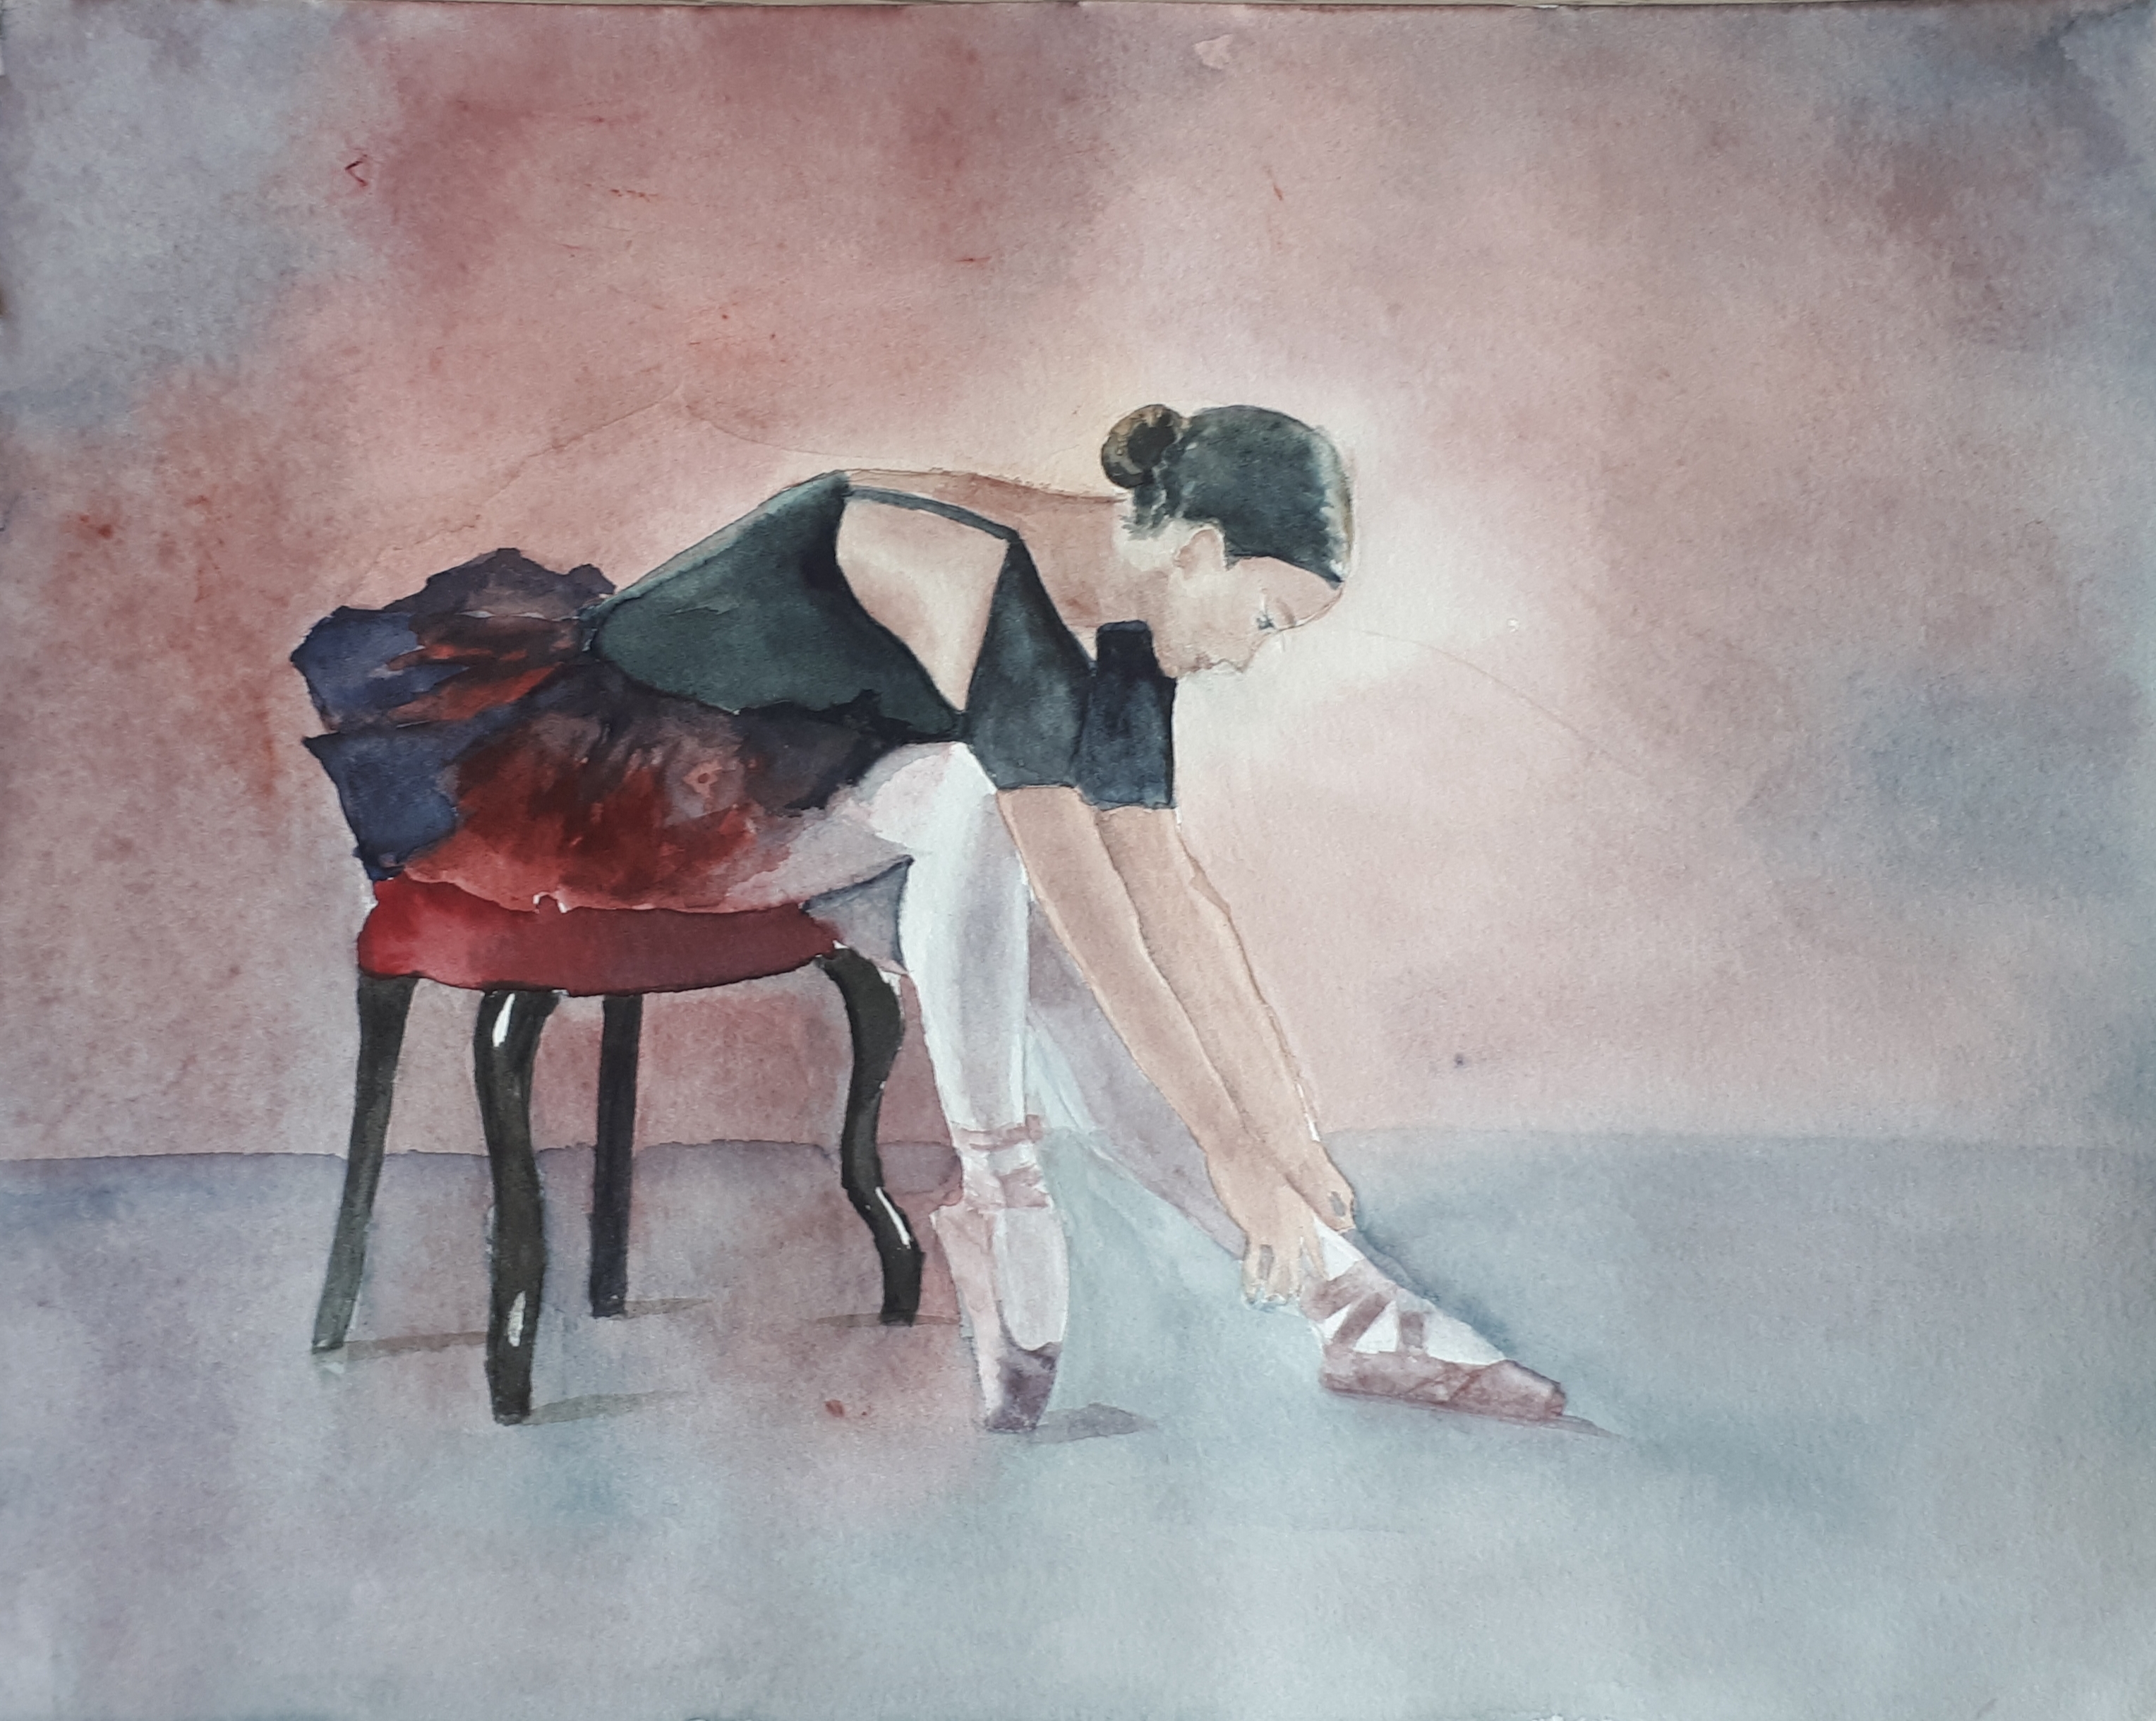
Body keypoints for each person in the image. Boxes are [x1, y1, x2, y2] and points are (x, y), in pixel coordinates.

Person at [299, 404, 1567, 1430]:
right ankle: (1004, 1200)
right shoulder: (970, 573)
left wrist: (1284, 1132)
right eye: (1267, 618)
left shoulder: (1128, 616)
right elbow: (1098, 909)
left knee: (1045, 969)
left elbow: (1171, 902)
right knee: (983, 812)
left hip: (826, 803)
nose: (1252, 653)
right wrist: (1237, 1155)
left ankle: (1349, 1306)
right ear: (1197, 552)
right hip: (626, 790)